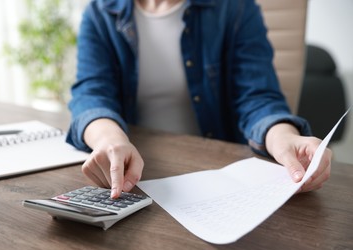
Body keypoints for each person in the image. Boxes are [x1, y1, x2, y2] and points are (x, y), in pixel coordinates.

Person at [66, 0, 332, 199]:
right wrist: (109, 140)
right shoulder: (100, 12)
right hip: (138, 175)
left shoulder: (236, 8)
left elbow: (258, 95)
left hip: (218, 177)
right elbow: (91, 93)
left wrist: (283, 136)